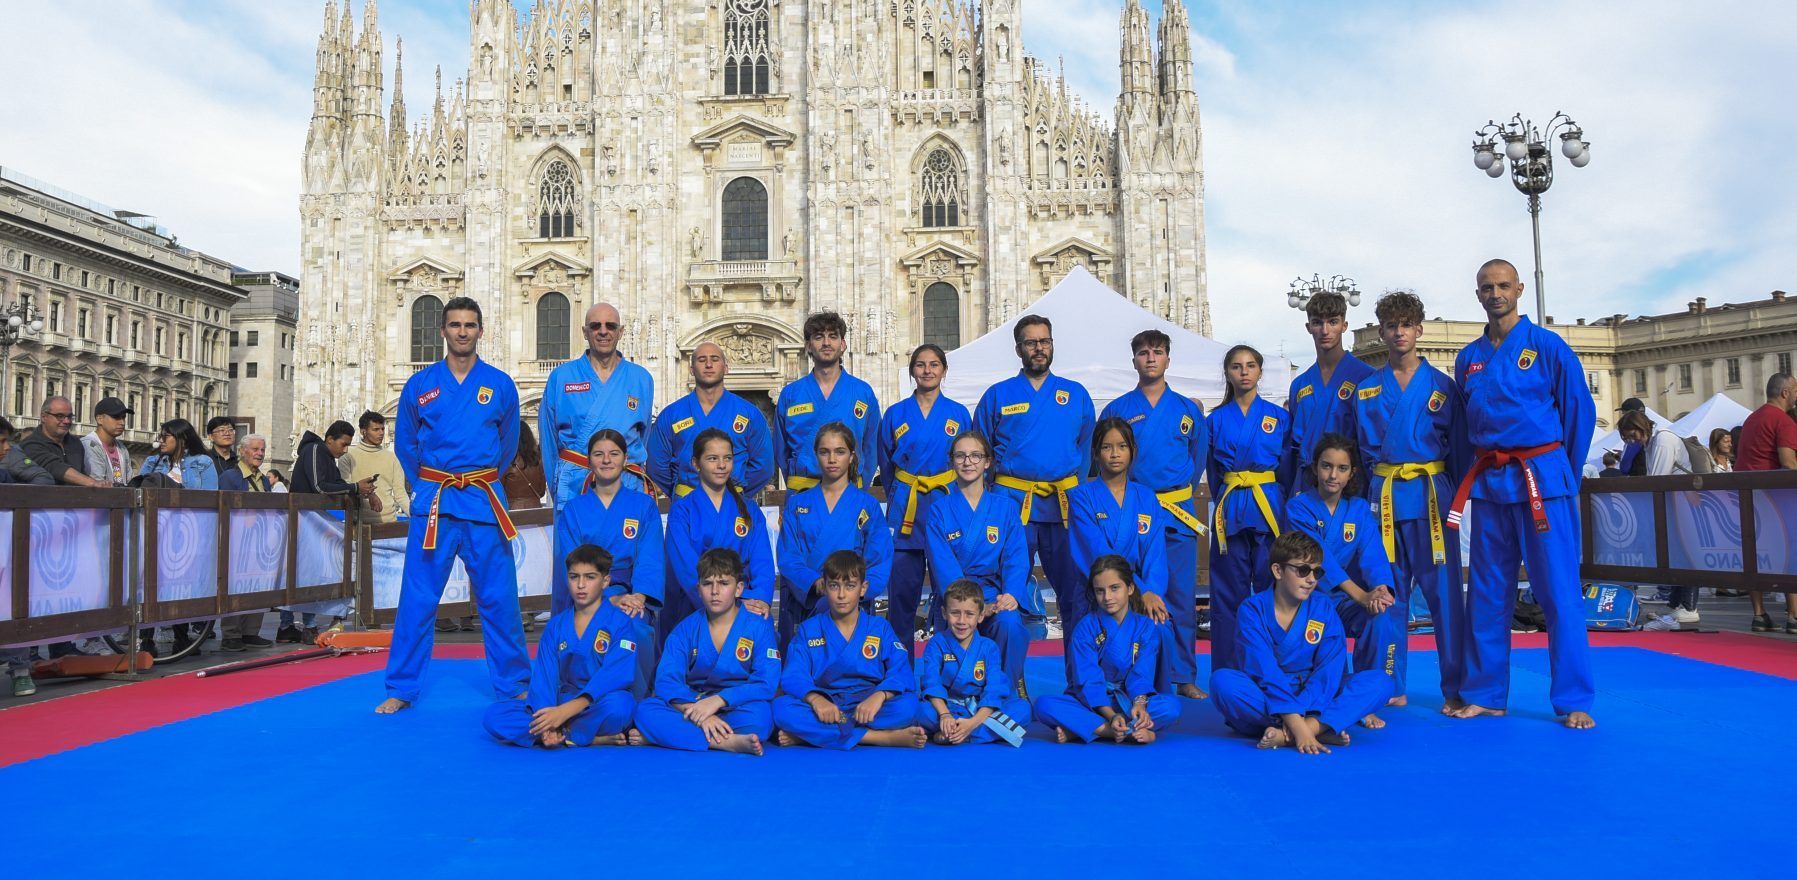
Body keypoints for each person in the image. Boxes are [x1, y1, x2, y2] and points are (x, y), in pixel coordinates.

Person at [1448, 258, 1597, 729]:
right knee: (1488, 594)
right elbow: (1462, 430)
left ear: (1519, 290)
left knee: (1558, 591)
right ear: (1477, 295)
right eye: (1487, 287)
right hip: (1491, 481)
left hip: (1542, 480)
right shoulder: (1467, 357)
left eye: (1503, 286)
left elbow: (1579, 413)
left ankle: (1574, 698)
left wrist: (1559, 472)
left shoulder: (1548, 347)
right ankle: (1486, 693)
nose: (1495, 294)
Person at [378, 296, 530, 714]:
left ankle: (514, 682)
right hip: (436, 502)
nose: (463, 332)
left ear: (481, 331)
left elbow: (508, 444)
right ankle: (402, 686)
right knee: (418, 598)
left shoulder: (499, 384)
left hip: (482, 498)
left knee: (499, 597)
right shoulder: (420, 385)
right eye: (455, 325)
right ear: (442, 331)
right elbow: (407, 444)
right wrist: (433, 480)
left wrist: (478, 477)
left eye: (470, 325)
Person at [1351, 290, 1469, 708]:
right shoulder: (1366, 390)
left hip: (1430, 499)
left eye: (1406, 325)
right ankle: (1389, 684)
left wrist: (1451, 496)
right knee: (1386, 595)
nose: (1399, 332)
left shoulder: (1443, 386)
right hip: (1382, 499)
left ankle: (1454, 687)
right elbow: (1359, 456)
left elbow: (1458, 448)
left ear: (1419, 330)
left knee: (1446, 599)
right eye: (1391, 325)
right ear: (1381, 331)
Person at [972, 314, 1095, 669]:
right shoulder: (998, 395)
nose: (1038, 348)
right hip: (1011, 506)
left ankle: (1080, 677)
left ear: (1052, 344)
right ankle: (1003, 677)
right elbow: (981, 448)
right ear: (1018, 349)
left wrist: (1078, 491)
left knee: (1075, 593)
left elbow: (1086, 450)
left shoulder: (1075, 395)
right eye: (1031, 342)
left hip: (1064, 506)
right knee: (1004, 592)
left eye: (1044, 341)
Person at [1210, 531, 1396, 753]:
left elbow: (1329, 670)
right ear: (1278, 570)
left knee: (1380, 682)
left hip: (1316, 692)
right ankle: (1320, 729)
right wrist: (1298, 725)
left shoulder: (1323, 607)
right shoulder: (1252, 610)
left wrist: (1301, 726)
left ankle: (1287, 734)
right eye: (1302, 570)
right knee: (1222, 683)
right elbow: (1264, 671)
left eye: (1316, 572)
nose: (1311, 580)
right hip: (1268, 693)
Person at [1100, 329, 1210, 699]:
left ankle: (1183, 675)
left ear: (1168, 359)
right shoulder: (1117, 410)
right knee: (1129, 591)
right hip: (1133, 510)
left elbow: (1198, 460)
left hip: (1176, 509)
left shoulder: (1187, 410)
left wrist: (1176, 492)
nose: (1151, 358)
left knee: (1179, 595)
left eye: (1158, 352)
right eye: (1144, 353)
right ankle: (1132, 673)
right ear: (1134, 360)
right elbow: (1104, 462)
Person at [1285, 435, 1401, 726]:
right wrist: (1361, 595)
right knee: (1326, 632)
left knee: (1379, 617)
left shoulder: (1359, 509)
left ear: (1352, 473)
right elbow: (1320, 559)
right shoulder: (1298, 508)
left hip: (1346, 599)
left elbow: (1373, 553)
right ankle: (1329, 696)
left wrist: (1379, 590)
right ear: (1315, 468)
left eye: (1341, 468)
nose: (1333, 475)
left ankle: (1364, 699)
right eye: (1326, 466)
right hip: (1308, 600)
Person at [482, 544, 641, 747]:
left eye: (590, 577)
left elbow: (616, 674)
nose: (581, 585)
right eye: (574, 577)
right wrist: (548, 717)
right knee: (494, 715)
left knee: (622, 707)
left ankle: (564, 733)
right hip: (561, 699)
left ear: (606, 581)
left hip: (598, 701)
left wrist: (567, 711)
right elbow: (544, 678)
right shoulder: (556, 626)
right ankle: (571, 735)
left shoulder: (620, 623)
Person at [771, 550, 926, 749]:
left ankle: (811, 736)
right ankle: (879, 737)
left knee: (909, 706)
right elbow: (794, 675)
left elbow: (901, 670)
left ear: (863, 588)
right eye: (834, 586)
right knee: (781, 709)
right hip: (827, 703)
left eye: (850, 586)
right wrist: (816, 699)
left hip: (869, 702)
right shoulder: (809, 629)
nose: (842, 595)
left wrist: (879, 697)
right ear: (824, 587)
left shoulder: (880, 628)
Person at [634, 549, 777, 755]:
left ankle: (671, 736)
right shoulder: (685, 629)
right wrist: (701, 713)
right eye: (707, 584)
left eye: (724, 583)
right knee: (645, 711)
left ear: (739, 589)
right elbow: (667, 681)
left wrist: (719, 700)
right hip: (693, 704)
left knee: (761, 719)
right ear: (698, 589)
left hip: (735, 706)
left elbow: (766, 682)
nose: (715, 591)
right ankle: (724, 742)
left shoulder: (759, 627)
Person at [551, 428, 662, 692]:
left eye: (614, 454)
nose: (606, 460)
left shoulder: (643, 506)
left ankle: (636, 703)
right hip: (587, 595)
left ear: (626, 459)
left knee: (635, 628)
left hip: (630, 593)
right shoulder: (574, 510)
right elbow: (571, 563)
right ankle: (588, 698)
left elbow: (650, 556)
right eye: (598, 454)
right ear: (588, 460)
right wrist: (603, 598)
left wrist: (640, 597)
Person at [878, 343, 971, 649]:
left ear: (944, 370)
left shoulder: (958, 414)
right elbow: (886, 465)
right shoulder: (894, 414)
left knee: (952, 593)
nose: (927, 371)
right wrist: (902, 490)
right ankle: (900, 675)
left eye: (934, 365)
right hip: (906, 508)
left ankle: (949, 672)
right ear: (912, 371)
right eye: (921, 365)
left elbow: (968, 462)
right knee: (902, 595)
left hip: (946, 506)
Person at [923, 430, 1032, 690]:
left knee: (1010, 624)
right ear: (951, 462)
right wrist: (977, 606)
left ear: (988, 462)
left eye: (975, 455)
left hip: (995, 593)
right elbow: (942, 565)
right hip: (956, 597)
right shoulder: (938, 511)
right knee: (959, 627)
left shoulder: (1005, 508)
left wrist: (1011, 595)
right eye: (960, 456)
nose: (968, 462)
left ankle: (1006, 685)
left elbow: (1016, 557)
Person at [1206, 345, 1291, 672]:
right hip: (1231, 509)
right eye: (1237, 366)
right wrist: (1230, 496)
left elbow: (1287, 468)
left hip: (1269, 509)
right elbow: (1214, 474)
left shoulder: (1278, 418)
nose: (1244, 372)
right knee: (1227, 597)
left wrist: (1274, 497)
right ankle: (1228, 671)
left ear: (1259, 371)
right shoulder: (1214, 421)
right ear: (1227, 373)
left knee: (1273, 591)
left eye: (1251, 365)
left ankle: (1274, 666)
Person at [1033, 555, 1179, 744]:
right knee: (1043, 705)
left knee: (1170, 707)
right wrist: (1110, 716)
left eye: (1115, 588)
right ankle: (1114, 730)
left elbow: (1142, 674)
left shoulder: (1146, 627)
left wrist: (1140, 705)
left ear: (1131, 588)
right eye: (1100, 591)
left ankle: (1087, 729)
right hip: (1093, 702)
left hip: (1129, 700)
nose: (1107, 597)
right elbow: (1088, 679)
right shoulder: (1085, 628)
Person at [775, 422, 893, 645]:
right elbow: (789, 557)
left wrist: (853, 590)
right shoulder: (798, 504)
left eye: (839, 452)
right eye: (824, 452)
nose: (831, 459)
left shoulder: (867, 505)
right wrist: (815, 583)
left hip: (853, 604)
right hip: (807, 603)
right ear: (816, 456)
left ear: (851, 456)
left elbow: (880, 559)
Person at [663, 429, 777, 639]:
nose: (721, 465)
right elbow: (685, 567)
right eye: (712, 459)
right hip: (697, 600)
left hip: (744, 598)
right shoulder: (682, 511)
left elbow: (763, 561)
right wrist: (719, 600)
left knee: (763, 627)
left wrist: (760, 598)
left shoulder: (749, 509)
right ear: (696, 464)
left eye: (727, 458)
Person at [540, 302, 656, 501]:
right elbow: (548, 440)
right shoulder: (561, 377)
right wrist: (558, 485)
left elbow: (643, 438)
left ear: (620, 332)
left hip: (626, 485)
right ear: (585, 332)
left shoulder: (641, 379)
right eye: (595, 326)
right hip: (575, 486)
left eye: (610, 326)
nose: (603, 332)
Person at [648, 341, 774, 498]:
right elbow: (657, 466)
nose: (708, 364)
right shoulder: (672, 415)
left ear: (726, 368)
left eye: (715, 359)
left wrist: (736, 491)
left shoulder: (749, 414)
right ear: (692, 369)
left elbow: (764, 466)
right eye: (701, 360)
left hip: (733, 504)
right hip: (687, 503)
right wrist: (681, 492)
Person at [286, 420, 374, 642]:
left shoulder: (327, 457)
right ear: (329, 440)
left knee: (307, 573)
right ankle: (302, 625)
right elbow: (319, 485)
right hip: (303, 520)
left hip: (312, 521)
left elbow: (336, 482)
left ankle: (298, 625)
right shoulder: (315, 450)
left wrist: (361, 489)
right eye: (343, 445)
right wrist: (354, 487)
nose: (344, 451)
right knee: (304, 573)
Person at [916, 580, 1032, 746]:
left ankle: (960, 734)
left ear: (981, 616)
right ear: (943, 613)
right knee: (919, 710)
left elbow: (994, 688)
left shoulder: (988, 647)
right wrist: (944, 715)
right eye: (955, 613)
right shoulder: (936, 643)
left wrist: (971, 724)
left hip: (979, 710)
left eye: (969, 614)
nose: (962, 621)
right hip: (947, 708)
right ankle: (972, 732)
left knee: (1022, 709)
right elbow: (931, 682)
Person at [774, 311, 881, 491]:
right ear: (808, 346)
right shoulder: (791, 394)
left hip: (849, 491)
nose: (826, 343)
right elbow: (780, 449)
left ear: (843, 344)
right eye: (818, 337)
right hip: (803, 491)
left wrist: (860, 487)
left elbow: (873, 447)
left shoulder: (862, 393)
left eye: (833, 336)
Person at [1286, 290, 1374, 495]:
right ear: (1309, 328)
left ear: (1344, 326)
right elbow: (1291, 448)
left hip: (1349, 484)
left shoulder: (1366, 378)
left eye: (1333, 322)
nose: (1325, 330)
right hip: (1307, 485)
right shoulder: (1299, 385)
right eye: (1317, 322)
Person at [1617, 410, 1701, 624]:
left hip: (1682, 503)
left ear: (1641, 427)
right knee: (1679, 554)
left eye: (1630, 434)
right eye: (1626, 437)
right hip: (1677, 502)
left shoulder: (1662, 440)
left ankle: (1690, 607)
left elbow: (1657, 478)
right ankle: (1676, 605)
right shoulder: (1652, 442)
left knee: (1685, 554)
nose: (1629, 440)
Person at [1736, 372, 1797, 633]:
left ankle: (1759, 614)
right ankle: (1794, 616)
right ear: (1785, 393)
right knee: (1789, 553)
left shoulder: (1752, 418)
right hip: (1774, 498)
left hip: (1745, 496)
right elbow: (1787, 463)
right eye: (1795, 389)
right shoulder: (1783, 421)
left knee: (1755, 556)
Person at [215, 433, 278, 650]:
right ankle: (231, 634)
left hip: (261, 541)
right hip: (238, 540)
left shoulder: (263, 480)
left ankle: (251, 631)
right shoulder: (230, 477)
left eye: (262, 449)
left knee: (258, 584)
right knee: (235, 586)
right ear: (243, 451)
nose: (260, 453)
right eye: (255, 449)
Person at [1, 418, 38, 697]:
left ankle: (20, 668)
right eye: (2, 442)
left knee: (14, 600)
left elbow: (32, 484)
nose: (7, 448)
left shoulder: (5, 475)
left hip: (6, 551)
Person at [21, 396, 105, 487]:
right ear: (44, 417)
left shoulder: (76, 443)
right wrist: (92, 482)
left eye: (69, 416)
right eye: (60, 416)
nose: (66, 421)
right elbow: (55, 467)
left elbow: (82, 472)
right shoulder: (30, 445)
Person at [340, 411, 408, 524]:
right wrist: (369, 494)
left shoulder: (392, 458)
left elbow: (400, 494)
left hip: (389, 524)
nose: (381, 433)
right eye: (376, 429)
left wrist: (418, 518)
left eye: (382, 429)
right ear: (363, 432)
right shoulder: (347, 456)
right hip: (358, 525)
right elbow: (345, 487)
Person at [139, 418, 220, 489]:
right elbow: (139, 492)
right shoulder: (152, 461)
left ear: (182, 439)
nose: (161, 441)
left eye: (165, 437)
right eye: (160, 436)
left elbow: (210, 496)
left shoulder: (203, 462)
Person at [80, 397, 135, 486]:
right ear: (99, 419)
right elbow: (98, 483)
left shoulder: (121, 448)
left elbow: (130, 481)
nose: (122, 422)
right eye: (116, 417)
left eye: (123, 417)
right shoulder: (89, 445)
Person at [503, 420, 548, 510]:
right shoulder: (538, 461)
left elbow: (499, 491)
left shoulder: (507, 462)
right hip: (535, 511)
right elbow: (542, 491)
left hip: (512, 511)